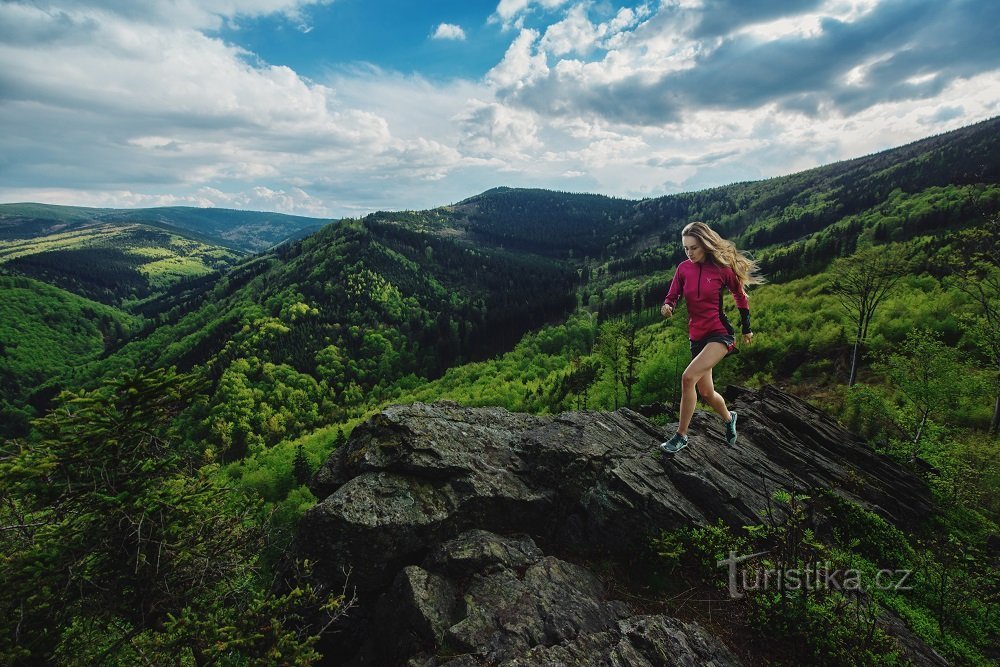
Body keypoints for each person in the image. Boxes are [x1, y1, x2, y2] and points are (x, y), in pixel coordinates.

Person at [659, 221, 764, 453]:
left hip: (719, 334)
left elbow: (740, 296)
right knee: (706, 392)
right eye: (686, 248)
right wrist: (667, 306)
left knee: (688, 378)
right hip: (696, 336)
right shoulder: (683, 269)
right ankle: (729, 418)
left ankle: (681, 436)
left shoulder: (721, 269)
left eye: (694, 247)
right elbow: (672, 296)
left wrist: (746, 328)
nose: (690, 252)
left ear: (705, 244)